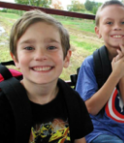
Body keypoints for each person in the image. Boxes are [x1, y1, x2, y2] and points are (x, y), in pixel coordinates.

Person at [0, 10, 93, 143]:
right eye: (29, 48)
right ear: (16, 59)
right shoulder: (4, 107)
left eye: (51, 47)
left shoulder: (73, 100)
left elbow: (79, 140)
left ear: (66, 58)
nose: (40, 56)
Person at [75, 0, 124, 143]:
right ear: (98, 31)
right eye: (109, 22)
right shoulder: (91, 64)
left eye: (123, 22)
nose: (117, 27)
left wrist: (122, 70)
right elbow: (90, 108)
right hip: (100, 130)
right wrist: (115, 74)